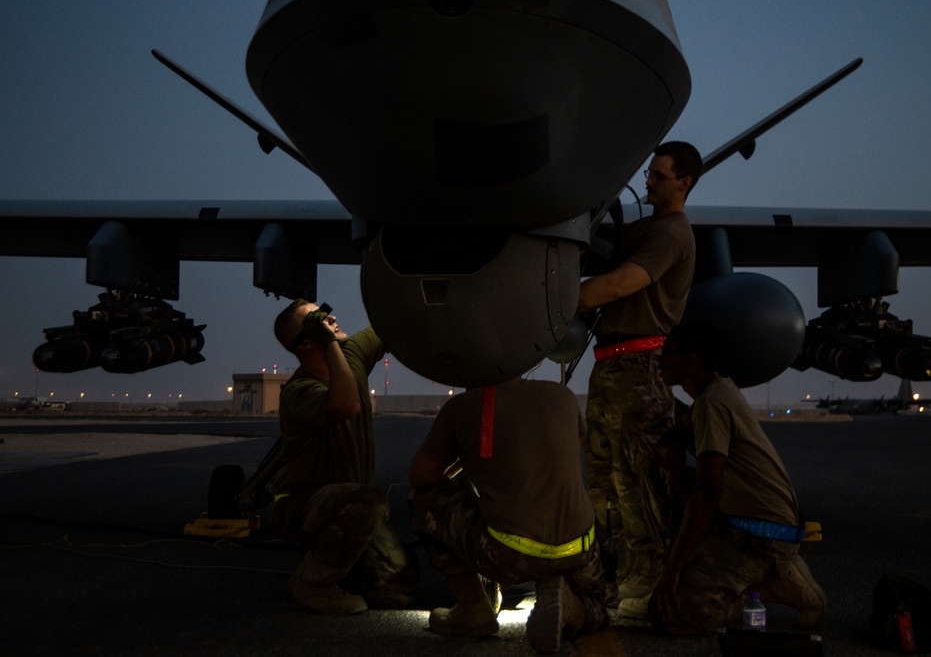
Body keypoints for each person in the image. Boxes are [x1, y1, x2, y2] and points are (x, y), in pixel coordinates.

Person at [620, 321, 826, 634]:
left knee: (673, 615)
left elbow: (707, 492)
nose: (660, 360)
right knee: (657, 472)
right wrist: (673, 451)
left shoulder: (712, 403)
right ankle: (696, 571)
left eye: (668, 353)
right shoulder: (716, 392)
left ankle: (780, 586)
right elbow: (672, 438)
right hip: (742, 523)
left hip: (762, 538)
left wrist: (672, 573)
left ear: (692, 359)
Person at [577, 140, 702, 604]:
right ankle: (615, 570)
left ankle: (647, 575)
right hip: (611, 367)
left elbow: (618, 285)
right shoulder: (648, 228)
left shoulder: (671, 235)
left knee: (638, 480)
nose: (647, 181)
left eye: (659, 176)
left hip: (638, 368)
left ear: (684, 184)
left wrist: (553, 297)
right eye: (648, 172)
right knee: (603, 477)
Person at [410, 379, 616, 654]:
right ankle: (569, 605)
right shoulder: (562, 394)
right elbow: (579, 440)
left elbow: (422, 477)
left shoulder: (461, 407)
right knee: (600, 611)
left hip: (507, 555)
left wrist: (465, 456)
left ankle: (473, 609)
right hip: (579, 549)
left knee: (425, 501)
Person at [269, 299, 416, 615]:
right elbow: (345, 406)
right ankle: (313, 584)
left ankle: (335, 561)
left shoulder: (353, 355)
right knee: (368, 501)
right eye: (319, 320)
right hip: (300, 505)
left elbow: (392, 324)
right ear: (309, 341)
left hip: (345, 506)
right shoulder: (299, 390)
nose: (332, 318)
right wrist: (331, 345)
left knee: (399, 594)